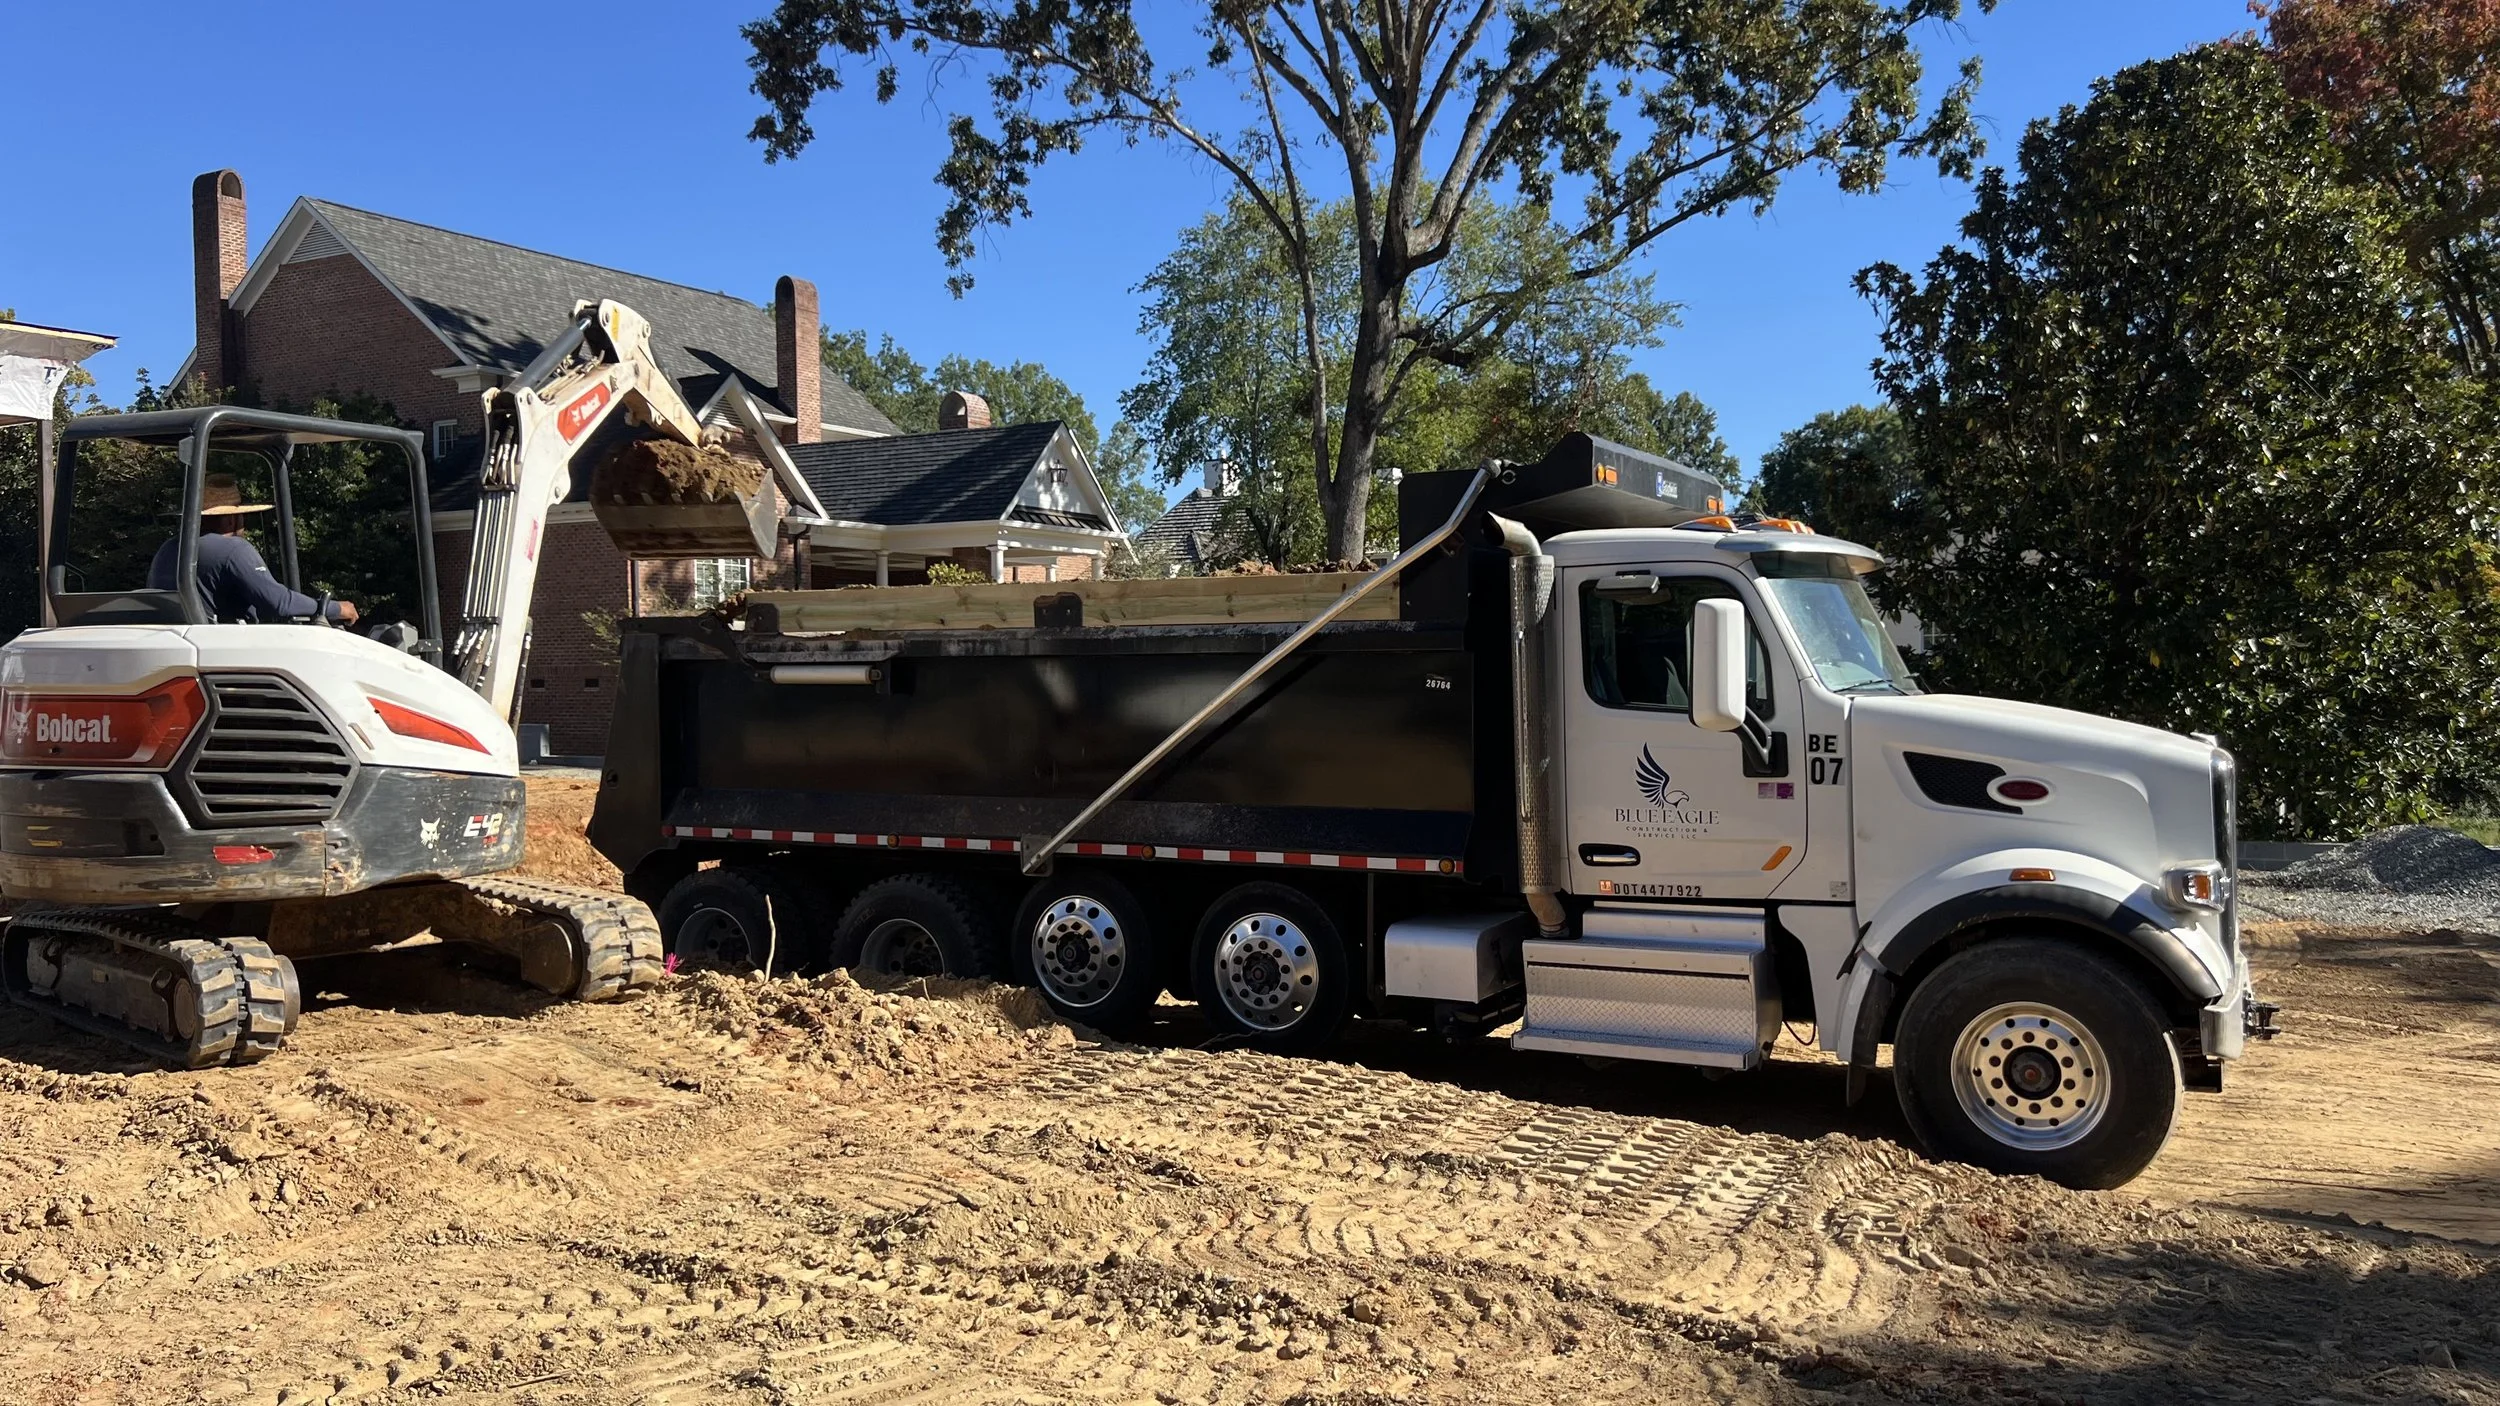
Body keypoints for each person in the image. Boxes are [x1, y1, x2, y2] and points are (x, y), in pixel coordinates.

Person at [146, 474, 358, 626]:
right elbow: (279, 603)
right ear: (231, 518)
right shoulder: (234, 550)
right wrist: (336, 608)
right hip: (227, 651)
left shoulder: (168, 549)